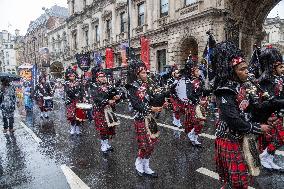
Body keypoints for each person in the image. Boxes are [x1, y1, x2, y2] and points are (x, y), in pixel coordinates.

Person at [211, 41, 272, 189]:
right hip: (228, 138)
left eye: (247, 68)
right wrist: (258, 128)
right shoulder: (225, 90)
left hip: (243, 136)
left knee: (244, 175)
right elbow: (233, 120)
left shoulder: (242, 86)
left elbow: (251, 110)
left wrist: (267, 108)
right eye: (242, 69)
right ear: (233, 71)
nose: (247, 72)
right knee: (239, 181)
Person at [127, 60, 165, 178]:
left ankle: (146, 166)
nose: (145, 75)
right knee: (145, 144)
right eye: (143, 73)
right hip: (140, 119)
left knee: (152, 143)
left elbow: (153, 98)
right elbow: (136, 104)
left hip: (150, 118)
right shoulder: (132, 87)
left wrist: (161, 102)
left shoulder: (148, 84)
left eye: (146, 72)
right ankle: (139, 163)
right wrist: (151, 108)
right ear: (137, 74)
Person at [256, 46, 284, 170]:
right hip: (269, 116)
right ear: (273, 66)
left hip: (278, 114)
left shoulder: (277, 78)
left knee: (276, 139)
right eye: (280, 67)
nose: (283, 69)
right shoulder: (264, 80)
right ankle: (264, 157)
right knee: (278, 138)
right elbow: (269, 101)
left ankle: (269, 159)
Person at [174, 55, 208, 146]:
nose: (199, 72)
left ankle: (193, 136)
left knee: (200, 123)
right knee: (200, 122)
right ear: (193, 72)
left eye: (198, 70)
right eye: (197, 71)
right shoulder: (189, 82)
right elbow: (189, 95)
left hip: (199, 104)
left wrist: (209, 91)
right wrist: (198, 101)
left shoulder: (200, 81)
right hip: (193, 105)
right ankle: (192, 135)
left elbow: (202, 92)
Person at [91, 70, 120, 154]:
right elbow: (97, 98)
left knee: (110, 128)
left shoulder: (109, 86)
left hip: (109, 110)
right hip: (100, 110)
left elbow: (115, 94)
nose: (103, 78)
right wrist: (107, 101)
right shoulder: (94, 86)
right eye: (100, 77)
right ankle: (103, 145)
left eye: (103, 76)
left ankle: (107, 144)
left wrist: (117, 97)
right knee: (103, 128)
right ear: (97, 79)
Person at [64, 67, 84, 135]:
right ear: (68, 76)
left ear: (75, 76)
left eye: (73, 76)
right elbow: (68, 93)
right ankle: (72, 128)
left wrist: (83, 98)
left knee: (79, 116)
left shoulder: (79, 83)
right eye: (70, 76)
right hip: (70, 101)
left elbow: (82, 91)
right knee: (72, 116)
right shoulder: (66, 83)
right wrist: (73, 87)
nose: (72, 77)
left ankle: (78, 128)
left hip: (78, 101)